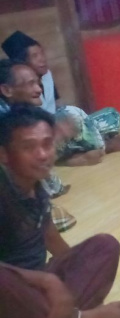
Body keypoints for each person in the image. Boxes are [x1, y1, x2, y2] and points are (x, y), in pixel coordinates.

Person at [0, 106, 120, 318]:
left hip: (35, 292)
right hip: (9, 298)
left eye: (47, 144)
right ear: (4, 154)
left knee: (104, 246)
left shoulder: (36, 184)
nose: (42, 155)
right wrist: (47, 282)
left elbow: (50, 236)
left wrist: (73, 272)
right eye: (29, 147)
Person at [2, 30, 120, 166]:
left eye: (42, 53)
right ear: (22, 63)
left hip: (54, 125)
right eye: (35, 56)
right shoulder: (15, 99)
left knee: (111, 115)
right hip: (42, 134)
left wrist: (66, 123)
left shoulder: (46, 76)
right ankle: (93, 149)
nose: (42, 59)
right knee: (73, 115)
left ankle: (85, 144)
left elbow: (56, 104)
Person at [1, 60, 75, 231]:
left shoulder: (22, 115)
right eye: (30, 84)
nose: (39, 89)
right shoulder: (6, 122)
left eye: (37, 83)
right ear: (6, 90)